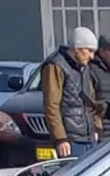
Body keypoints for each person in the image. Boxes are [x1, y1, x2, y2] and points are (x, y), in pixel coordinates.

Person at [41, 27, 105, 159]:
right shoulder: (56, 66)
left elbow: (91, 101)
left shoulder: (84, 67)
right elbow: (51, 105)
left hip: (89, 137)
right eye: (89, 51)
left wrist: (97, 127)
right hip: (70, 140)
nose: (92, 56)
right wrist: (60, 138)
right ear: (77, 48)